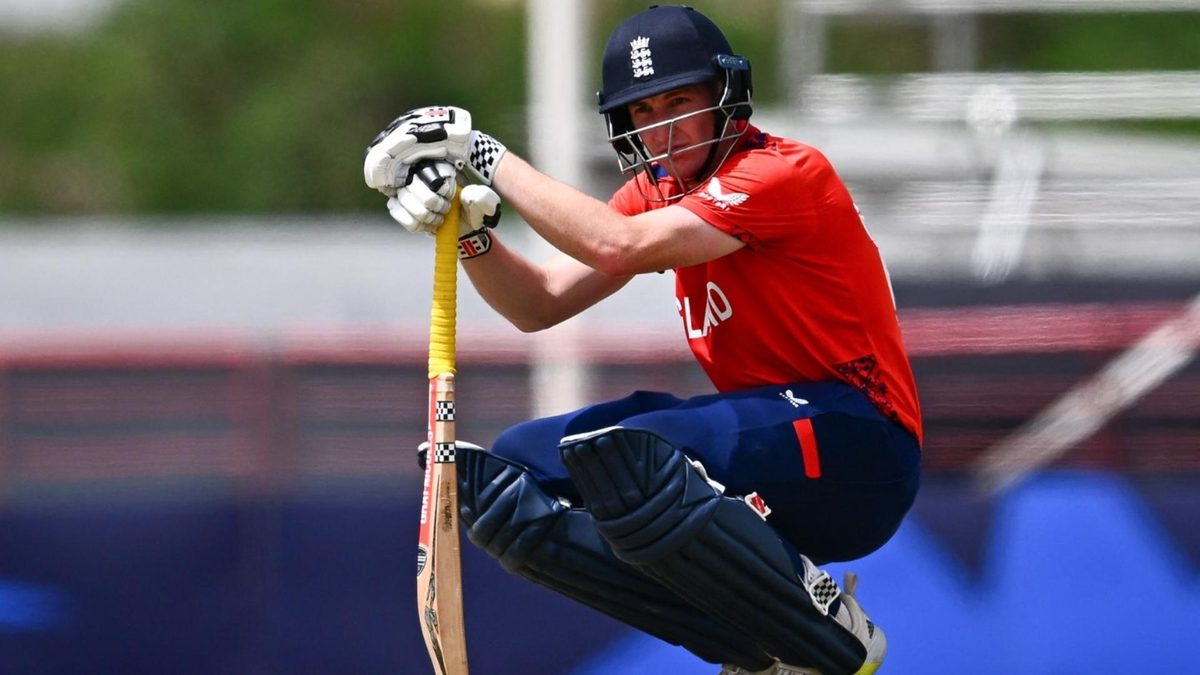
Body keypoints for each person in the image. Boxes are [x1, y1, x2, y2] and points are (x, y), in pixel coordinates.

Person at [363, 5, 921, 674]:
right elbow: (538, 303)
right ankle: (756, 641)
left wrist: (479, 152)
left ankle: (832, 627)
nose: (661, 128)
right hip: (774, 445)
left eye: (679, 101)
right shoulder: (654, 192)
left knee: (640, 457)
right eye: (643, 110)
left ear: (725, 96)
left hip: (861, 446)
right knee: (517, 474)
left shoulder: (781, 173)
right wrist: (472, 235)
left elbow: (614, 244)